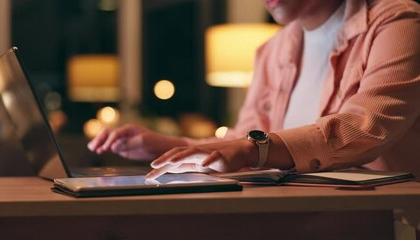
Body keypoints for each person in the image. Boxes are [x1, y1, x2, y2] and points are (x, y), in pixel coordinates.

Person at [88, 0, 420, 181]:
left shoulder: (396, 22)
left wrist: (251, 149)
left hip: (383, 220)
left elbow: (366, 128)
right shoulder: (274, 50)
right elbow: (243, 141)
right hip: (297, 216)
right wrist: (168, 146)